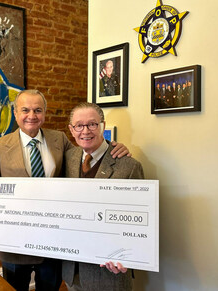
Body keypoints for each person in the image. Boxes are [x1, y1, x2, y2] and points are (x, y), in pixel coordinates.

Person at [0, 90, 130, 291]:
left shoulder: (58, 139)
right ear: (15, 113)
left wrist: (113, 148)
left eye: (37, 110)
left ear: (44, 113)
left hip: (53, 246)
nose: (31, 116)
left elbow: (86, 152)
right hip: (15, 245)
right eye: (25, 110)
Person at [62, 102, 144, 291]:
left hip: (109, 274)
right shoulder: (68, 158)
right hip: (72, 271)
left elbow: (139, 220)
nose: (85, 131)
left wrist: (127, 257)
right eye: (79, 126)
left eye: (92, 124)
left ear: (103, 126)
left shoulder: (129, 166)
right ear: (71, 130)